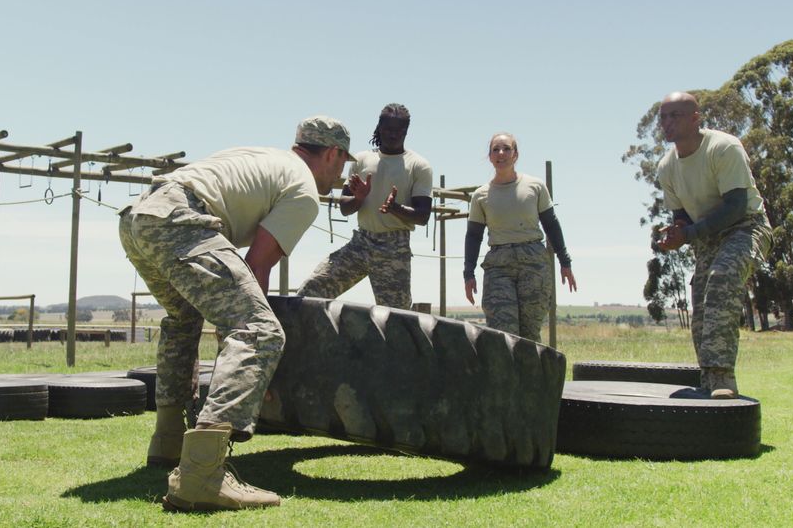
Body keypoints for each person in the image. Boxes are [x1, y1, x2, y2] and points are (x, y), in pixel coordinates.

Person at [118, 115, 352, 511]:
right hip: (182, 218)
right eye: (343, 163)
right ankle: (202, 476)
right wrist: (257, 364)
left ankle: (168, 443)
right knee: (259, 330)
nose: (341, 175)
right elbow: (256, 266)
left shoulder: (264, 157)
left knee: (184, 319)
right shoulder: (304, 190)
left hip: (140, 216)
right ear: (332, 153)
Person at [655, 92, 773, 399]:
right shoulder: (666, 166)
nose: (667, 123)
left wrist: (690, 233)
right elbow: (680, 214)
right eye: (663, 117)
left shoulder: (723, 147)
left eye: (675, 116)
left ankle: (723, 378)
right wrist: (675, 233)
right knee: (702, 305)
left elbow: (735, 206)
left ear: (696, 118)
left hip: (745, 227)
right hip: (706, 237)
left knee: (721, 280)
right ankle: (708, 379)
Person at [297, 103, 432, 309]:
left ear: (406, 132)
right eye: (387, 130)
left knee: (397, 317)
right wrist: (359, 198)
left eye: (398, 131)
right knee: (311, 290)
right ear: (379, 128)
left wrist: (395, 208)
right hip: (361, 242)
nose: (393, 135)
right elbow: (345, 208)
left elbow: (423, 216)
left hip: (394, 248)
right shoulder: (361, 160)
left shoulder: (418, 165)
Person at [463, 132, 577, 342]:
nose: (501, 153)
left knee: (529, 334)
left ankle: (533, 375)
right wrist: (468, 273)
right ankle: (505, 376)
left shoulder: (535, 186)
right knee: (503, 335)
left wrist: (565, 262)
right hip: (499, 266)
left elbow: (551, 224)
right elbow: (473, 236)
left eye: (506, 148)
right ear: (489, 157)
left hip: (533, 263)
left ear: (516, 154)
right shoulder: (481, 195)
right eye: (495, 149)